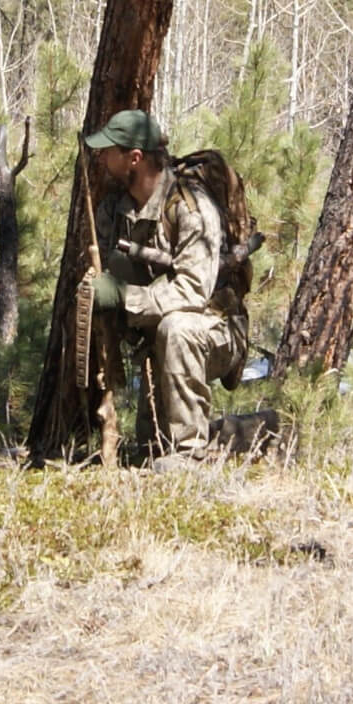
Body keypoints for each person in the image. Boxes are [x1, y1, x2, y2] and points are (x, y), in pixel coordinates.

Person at [83, 109, 247, 466]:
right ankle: (244, 432)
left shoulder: (192, 207)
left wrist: (124, 298)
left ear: (135, 158)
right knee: (152, 450)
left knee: (178, 329)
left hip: (214, 329)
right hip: (158, 338)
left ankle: (191, 455)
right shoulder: (117, 209)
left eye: (110, 151)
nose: (103, 158)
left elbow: (192, 291)